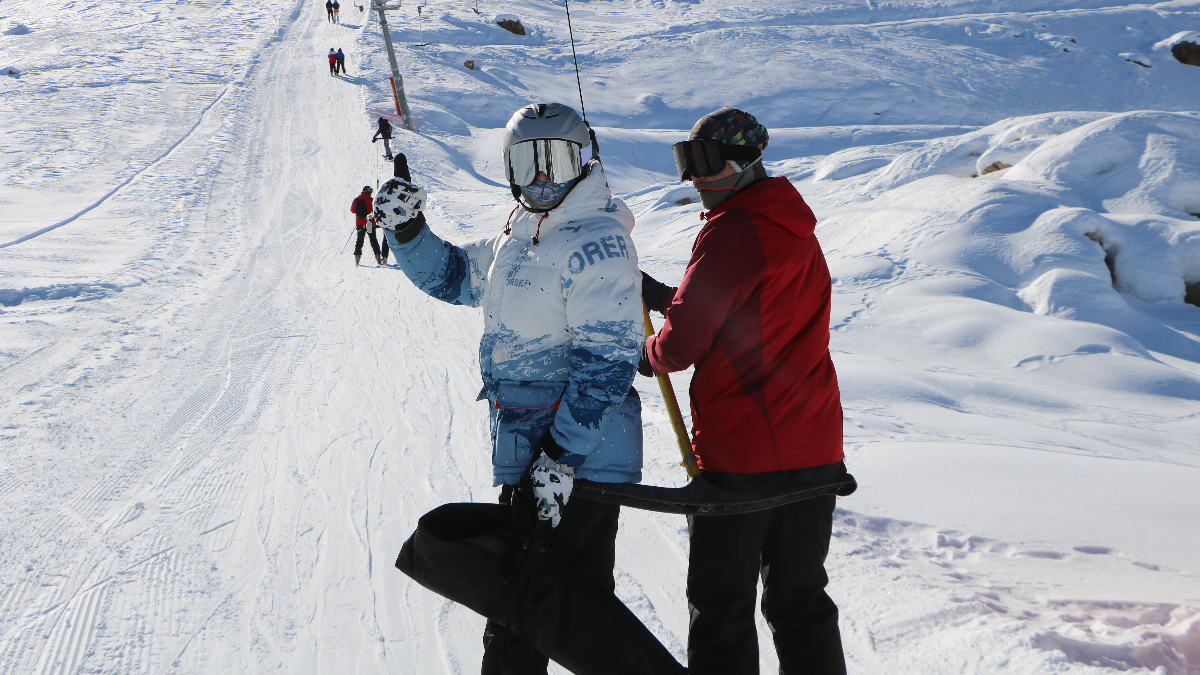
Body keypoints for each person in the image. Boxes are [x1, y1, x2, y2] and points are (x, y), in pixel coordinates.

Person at [375, 103, 644, 675]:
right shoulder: (520, 237)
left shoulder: (595, 240)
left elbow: (608, 361)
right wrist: (409, 231)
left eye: (557, 159)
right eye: (527, 162)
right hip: (546, 461)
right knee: (578, 614)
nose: (542, 177)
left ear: (585, 160)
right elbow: (452, 278)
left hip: (574, 465)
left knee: (522, 614)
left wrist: (559, 460)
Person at [639, 107, 849, 675]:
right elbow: (753, 312)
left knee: (722, 606)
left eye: (705, 163)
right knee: (799, 599)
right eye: (687, 160)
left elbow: (682, 346)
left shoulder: (731, 231)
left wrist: (650, 353)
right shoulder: (792, 226)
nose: (694, 178)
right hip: (814, 450)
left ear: (745, 162)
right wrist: (667, 297)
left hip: (745, 458)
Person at [350, 186, 388, 265]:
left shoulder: (356, 200)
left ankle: (357, 257)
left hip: (359, 223)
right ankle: (378, 256)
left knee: (359, 240)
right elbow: (376, 211)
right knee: (373, 240)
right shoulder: (372, 200)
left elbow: (353, 210)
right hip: (370, 223)